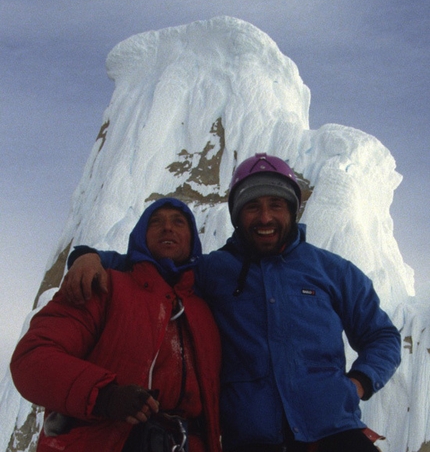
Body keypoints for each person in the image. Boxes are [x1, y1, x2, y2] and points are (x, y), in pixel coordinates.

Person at [60, 153, 401, 452]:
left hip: (335, 433)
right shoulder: (213, 271)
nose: (264, 217)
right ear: (237, 216)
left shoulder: (333, 270)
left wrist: (359, 383)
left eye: (276, 205)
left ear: (292, 210)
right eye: (252, 206)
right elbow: (152, 269)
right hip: (251, 439)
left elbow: (382, 336)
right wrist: (88, 257)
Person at [10, 198, 222, 452]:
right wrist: (104, 396)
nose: (167, 228)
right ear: (140, 238)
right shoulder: (103, 287)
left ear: (193, 241)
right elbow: (33, 357)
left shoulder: (204, 312)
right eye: (156, 222)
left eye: (178, 222)